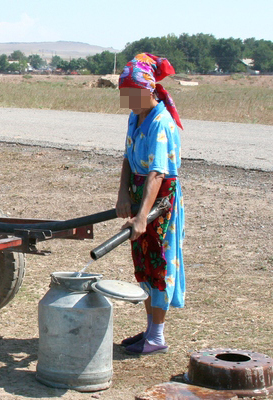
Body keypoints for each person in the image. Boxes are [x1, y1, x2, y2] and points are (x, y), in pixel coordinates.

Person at [116, 53, 185, 355]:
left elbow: (157, 174)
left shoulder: (162, 123)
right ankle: (149, 330)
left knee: (159, 263)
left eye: (132, 94)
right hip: (139, 196)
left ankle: (157, 336)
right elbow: (128, 159)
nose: (128, 100)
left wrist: (142, 215)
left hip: (160, 202)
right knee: (142, 264)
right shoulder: (135, 116)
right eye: (124, 95)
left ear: (148, 90)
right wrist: (122, 196)